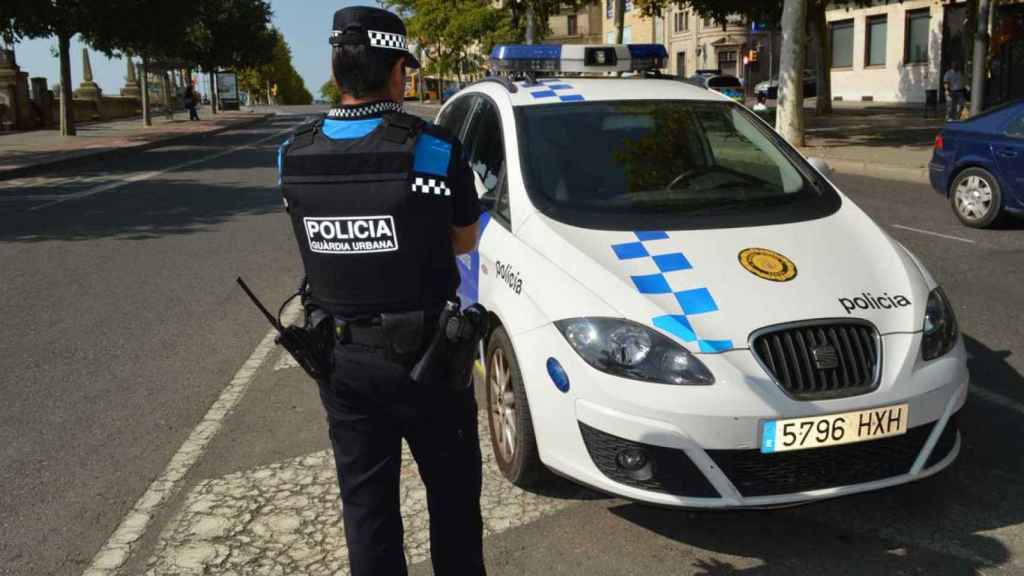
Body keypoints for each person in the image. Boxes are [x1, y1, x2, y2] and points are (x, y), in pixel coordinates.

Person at [277, 6, 484, 576]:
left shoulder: (293, 154)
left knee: (367, 515)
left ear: (337, 69)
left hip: (343, 362)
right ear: (396, 71)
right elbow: (464, 241)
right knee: (454, 507)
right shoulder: (432, 151)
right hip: (431, 363)